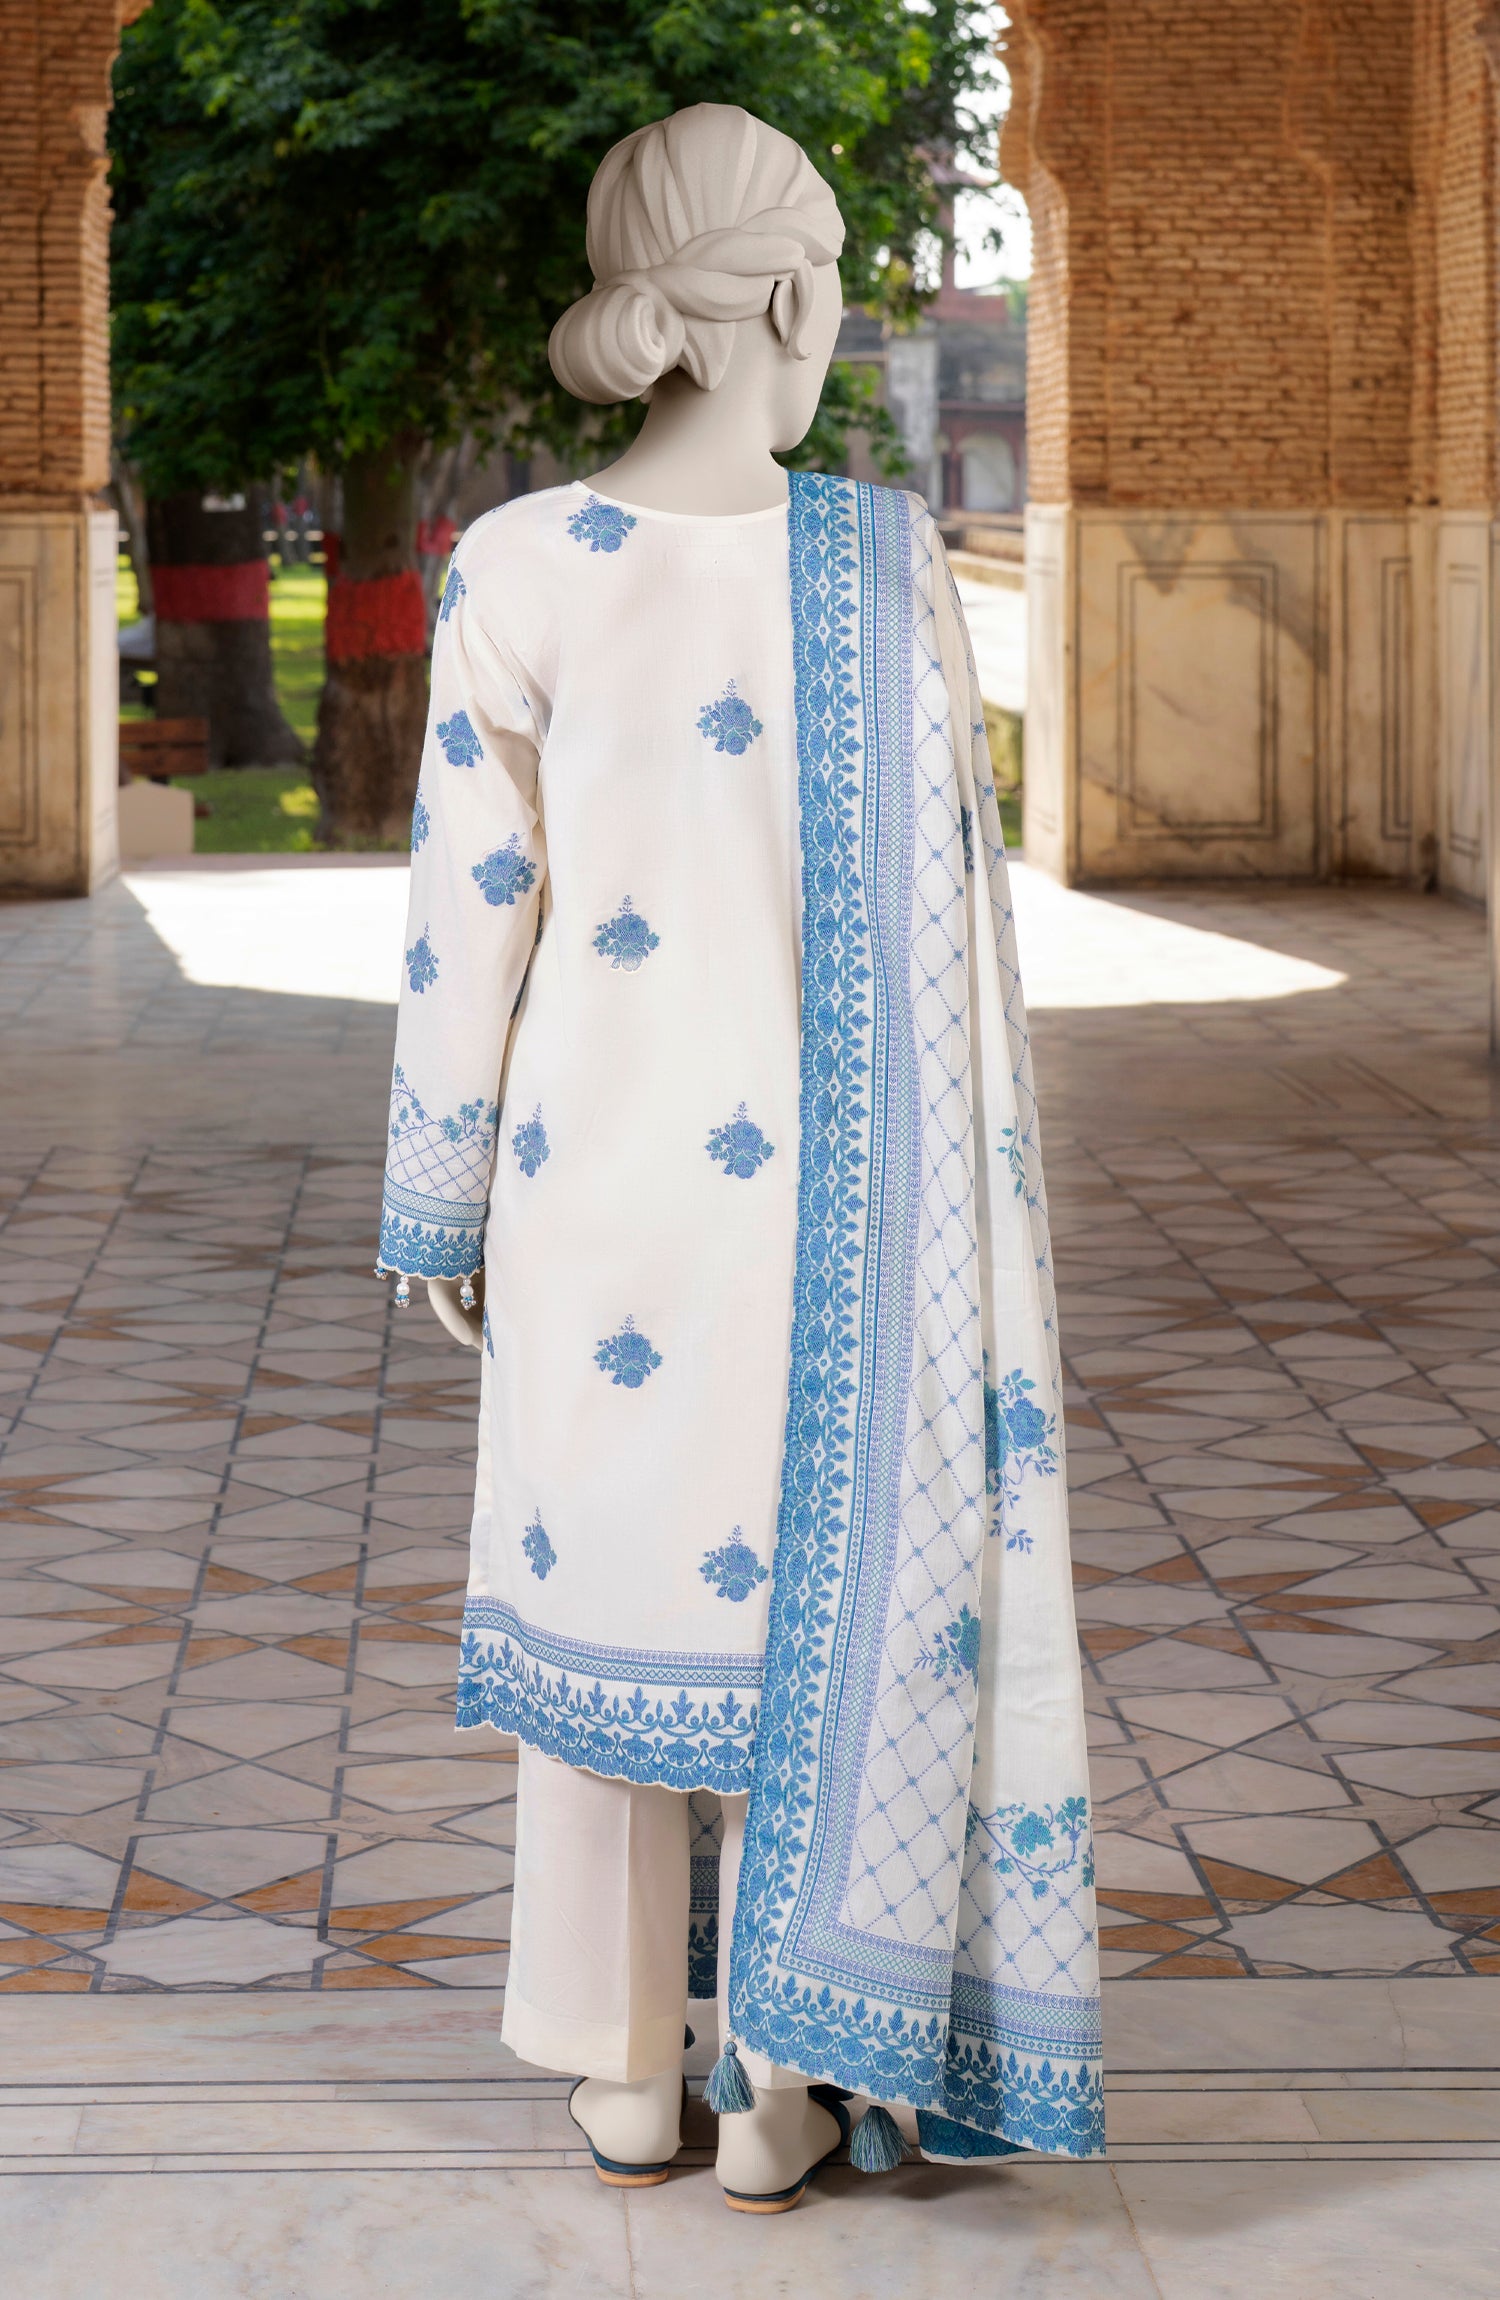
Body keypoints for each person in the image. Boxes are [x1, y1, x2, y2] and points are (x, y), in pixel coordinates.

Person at [376, 101, 1102, 2212]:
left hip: (588, 1182)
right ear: (782, 296)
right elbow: (954, 931)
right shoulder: (883, 563)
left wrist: (438, 1198)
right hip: (845, 1212)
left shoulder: (513, 562)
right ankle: (787, 2080)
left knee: (603, 1605)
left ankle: (622, 2066)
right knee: (821, 1623)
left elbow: (466, 912)